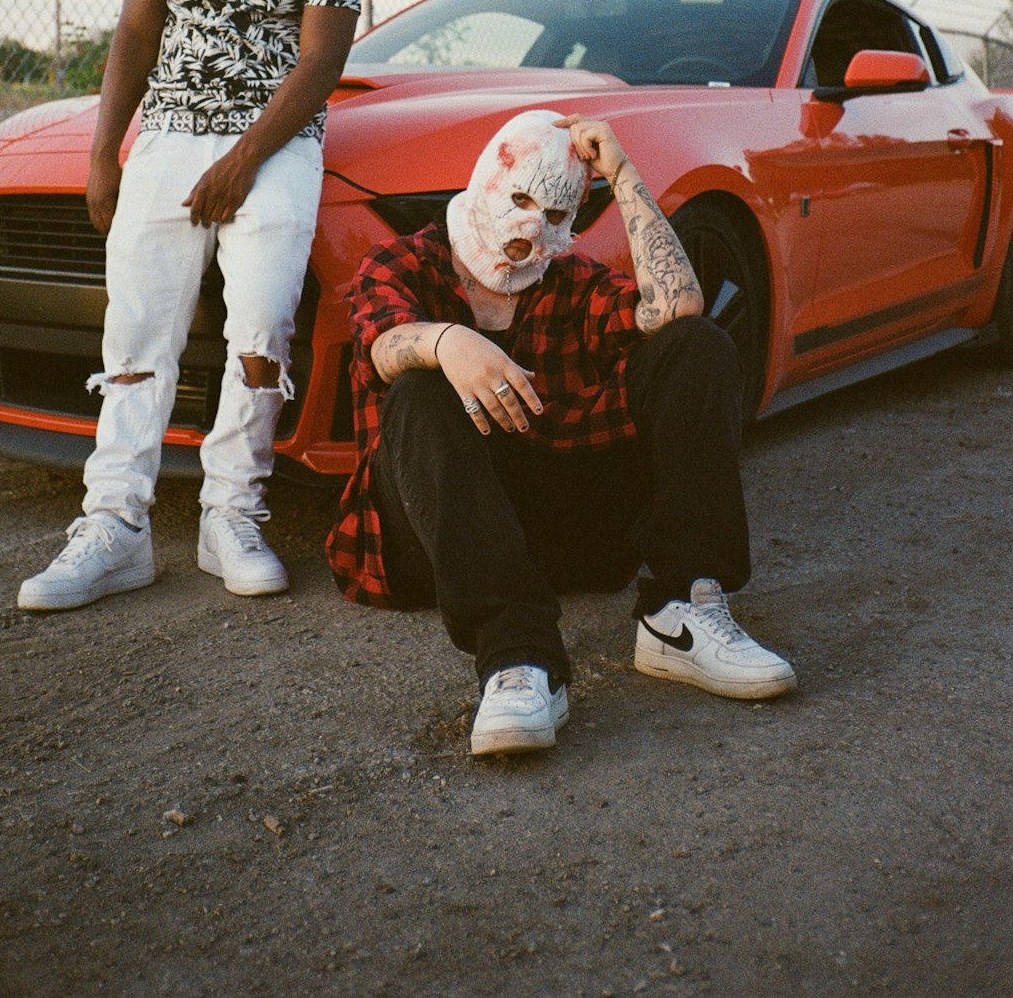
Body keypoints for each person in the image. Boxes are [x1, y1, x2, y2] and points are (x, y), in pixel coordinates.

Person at [19, 0, 362, 612]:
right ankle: (116, 525)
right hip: (167, 135)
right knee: (135, 335)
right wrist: (105, 152)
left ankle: (230, 514)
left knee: (260, 331)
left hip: (279, 144)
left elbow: (321, 60)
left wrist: (245, 161)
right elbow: (136, 35)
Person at [327, 108, 795, 756]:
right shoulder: (405, 262)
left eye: (552, 216)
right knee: (418, 384)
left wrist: (624, 174)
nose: (528, 230)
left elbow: (679, 306)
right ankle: (519, 661)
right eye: (518, 197)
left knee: (697, 345)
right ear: (486, 178)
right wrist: (447, 341)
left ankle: (681, 613)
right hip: (436, 536)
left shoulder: (568, 283)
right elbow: (380, 344)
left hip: (565, 530)